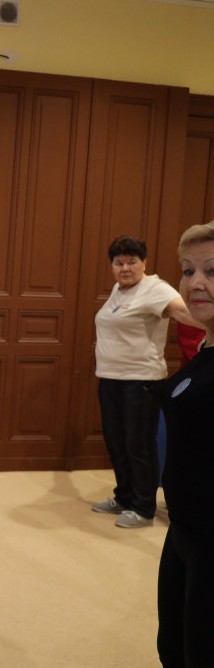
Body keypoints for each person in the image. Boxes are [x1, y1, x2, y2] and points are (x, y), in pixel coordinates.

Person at [91, 235, 199, 529]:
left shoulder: (154, 289)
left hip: (140, 382)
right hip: (110, 379)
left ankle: (143, 507)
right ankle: (124, 496)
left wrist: (210, 324)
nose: (125, 268)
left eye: (132, 262)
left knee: (138, 445)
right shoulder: (119, 290)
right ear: (112, 266)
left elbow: (183, 312)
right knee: (116, 443)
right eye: (119, 263)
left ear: (144, 263)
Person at [152, 222, 214, 666]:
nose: (196, 283)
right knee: (174, 648)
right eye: (188, 270)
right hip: (185, 527)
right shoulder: (206, 344)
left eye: (212, 271)